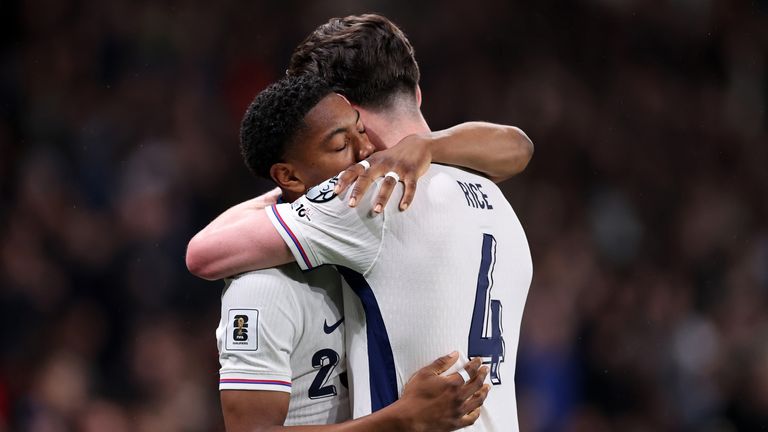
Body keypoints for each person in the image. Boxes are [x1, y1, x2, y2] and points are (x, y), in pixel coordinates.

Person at [187, 14, 533, 431]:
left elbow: (202, 255)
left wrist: (289, 190)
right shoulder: (490, 187)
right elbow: (520, 145)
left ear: (341, 108)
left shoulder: (368, 195)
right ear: (417, 94)